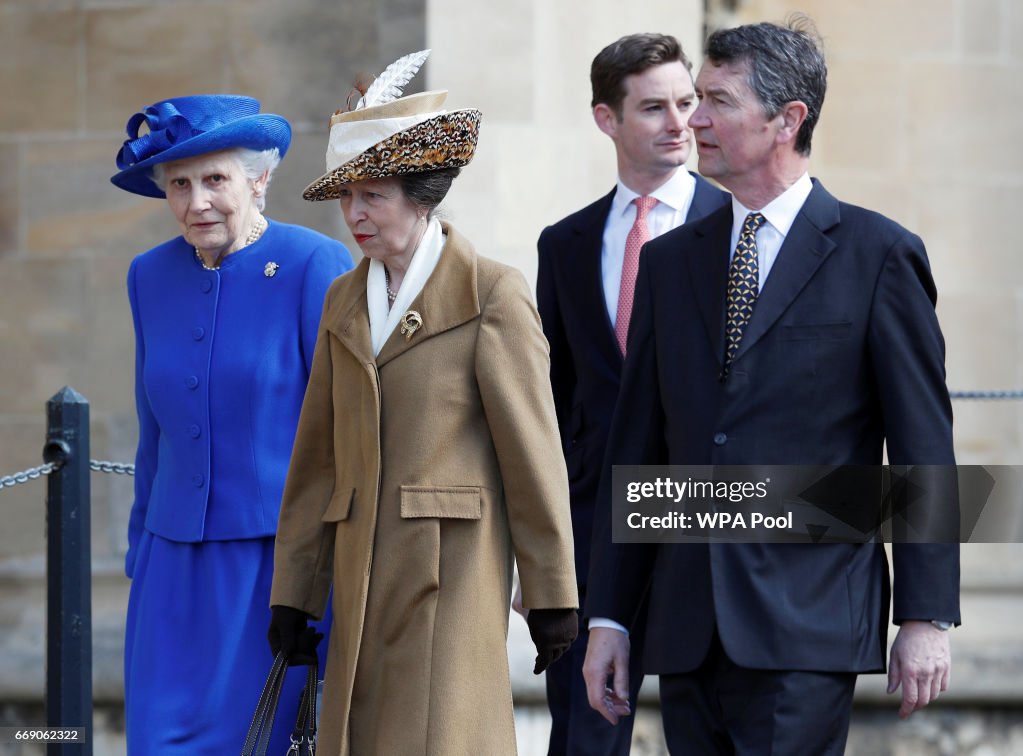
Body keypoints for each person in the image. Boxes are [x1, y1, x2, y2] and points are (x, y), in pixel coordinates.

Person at [583, 19, 960, 755]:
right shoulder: (670, 264)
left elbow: (923, 448)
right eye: (695, 101)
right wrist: (610, 618)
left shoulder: (878, 255)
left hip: (809, 626)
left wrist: (925, 618)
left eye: (716, 102)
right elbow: (638, 451)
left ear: (788, 120)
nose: (694, 122)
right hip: (687, 625)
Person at [266, 52, 580, 755]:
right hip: (360, 571)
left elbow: (532, 454)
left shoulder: (492, 293)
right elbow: (316, 456)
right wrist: (296, 591)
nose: (353, 214)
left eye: (370, 195)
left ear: (421, 194)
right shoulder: (342, 298)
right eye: (347, 197)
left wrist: (553, 592)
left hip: (450, 573)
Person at [111, 94, 353, 753]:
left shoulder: (315, 266)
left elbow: (347, 436)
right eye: (179, 185)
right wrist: (140, 553)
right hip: (170, 571)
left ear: (259, 178)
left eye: (215, 180)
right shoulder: (148, 276)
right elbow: (152, 429)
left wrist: (326, 575)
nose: (196, 203)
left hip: (276, 573)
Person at [533, 33, 727, 756]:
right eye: (654, 108)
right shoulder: (566, 243)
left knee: (705, 724)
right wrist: (537, 550)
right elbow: (549, 404)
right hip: (586, 527)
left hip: (701, 515)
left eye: (689, 102)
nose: (680, 122)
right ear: (605, 119)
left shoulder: (734, 228)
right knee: (582, 737)